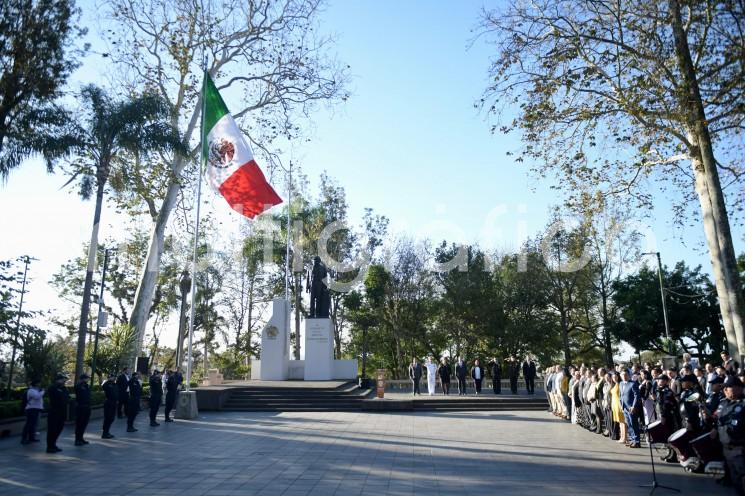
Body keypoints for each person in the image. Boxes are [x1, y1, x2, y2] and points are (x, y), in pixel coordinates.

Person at [713, 375, 745, 493]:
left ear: (739, 388)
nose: (725, 390)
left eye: (729, 387)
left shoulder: (742, 404)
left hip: (739, 449)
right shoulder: (722, 403)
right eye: (724, 388)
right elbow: (717, 418)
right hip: (726, 448)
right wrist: (714, 427)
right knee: (735, 481)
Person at [46, 373, 70, 453]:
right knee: (52, 429)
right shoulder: (52, 388)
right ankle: (50, 446)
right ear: (57, 380)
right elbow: (57, 398)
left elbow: (67, 397)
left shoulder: (64, 388)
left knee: (59, 428)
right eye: (62, 379)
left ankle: (54, 444)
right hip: (54, 411)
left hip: (62, 411)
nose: (64, 380)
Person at [20, 378, 44, 445]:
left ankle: (31, 437)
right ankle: (24, 438)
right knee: (29, 424)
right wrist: (42, 391)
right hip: (31, 409)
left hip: (36, 409)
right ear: (36, 384)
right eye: (39, 383)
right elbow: (37, 397)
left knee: (33, 424)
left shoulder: (36, 390)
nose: (40, 384)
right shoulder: (31, 390)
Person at [74, 373, 92, 446]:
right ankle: (77, 439)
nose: (88, 379)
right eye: (87, 378)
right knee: (79, 424)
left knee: (84, 424)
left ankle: (81, 438)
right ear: (83, 378)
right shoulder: (78, 386)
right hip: (81, 407)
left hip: (87, 406)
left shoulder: (86, 386)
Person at [101, 371, 118, 438]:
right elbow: (104, 387)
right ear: (109, 377)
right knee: (108, 418)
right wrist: (108, 381)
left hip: (114, 403)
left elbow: (116, 392)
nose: (114, 378)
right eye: (112, 377)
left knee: (111, 418)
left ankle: (107, 432)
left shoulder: (114, 384)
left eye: (114, 377)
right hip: (109, 402)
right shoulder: (107, 384)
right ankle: (104, 433)